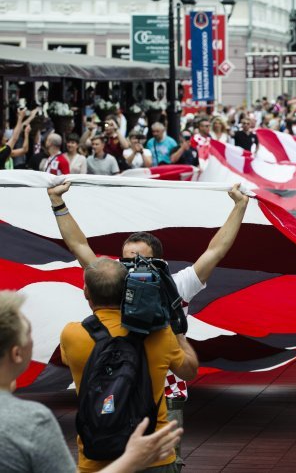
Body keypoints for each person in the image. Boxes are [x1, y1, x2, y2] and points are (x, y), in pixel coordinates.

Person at [47, 181, 249, 469]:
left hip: (168, 395)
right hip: (114, 390)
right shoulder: (111, 282)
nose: (134, 267)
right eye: (127, 261)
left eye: (143, 260)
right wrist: (58, 204)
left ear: (160, 262)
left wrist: (240, 206)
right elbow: (80, 246)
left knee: (168, 463)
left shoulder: (175, 285)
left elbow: (216, 250)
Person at [0, 290, 184, 473]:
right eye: (29, 335)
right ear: (17, 353)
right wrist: (131, 459)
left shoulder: (72, 333)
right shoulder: (33, 421)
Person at [60, 258, 198, 472]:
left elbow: (64, 359)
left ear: (86, 292)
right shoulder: (160, 334)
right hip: (154, 457)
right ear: (127, 288)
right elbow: (189, 371)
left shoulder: (71, 334)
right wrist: (177, 328)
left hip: (97, 459)